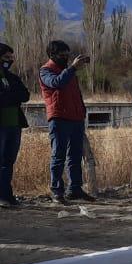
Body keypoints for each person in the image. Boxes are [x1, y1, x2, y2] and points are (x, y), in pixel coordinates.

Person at [40, 40, 93, 203]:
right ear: (52, 55)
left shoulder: (68, 71)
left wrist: (82, 111)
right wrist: (73, 68)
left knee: (75, 156)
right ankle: (57, 191)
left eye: (67, 55)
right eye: (62, 55)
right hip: (59, 118)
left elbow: (76, 94)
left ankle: (75, 189)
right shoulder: (46, 71)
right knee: (59, 156)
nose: (66, 58)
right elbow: (56, 83)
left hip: (76, 118)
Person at [0, 43, 30, 207]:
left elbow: (25, 95)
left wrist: (7, 95)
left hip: (14, 124)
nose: (9, 61)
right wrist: (12, 96)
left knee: (8, 161)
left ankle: (7, 195)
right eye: (6, 58)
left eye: (11, 58)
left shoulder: (12, 77)